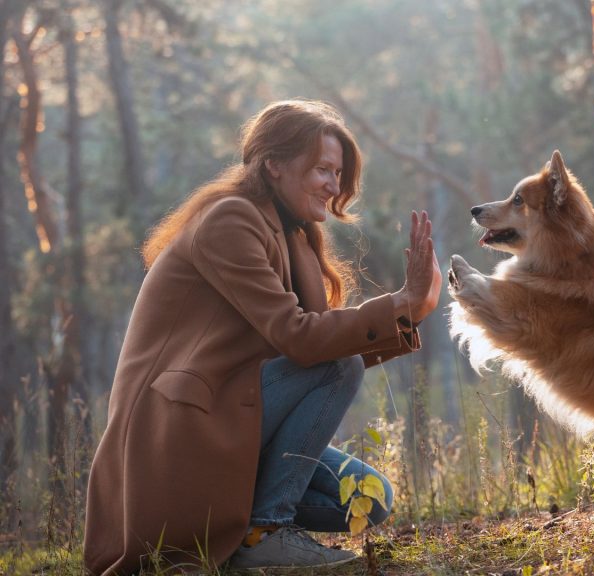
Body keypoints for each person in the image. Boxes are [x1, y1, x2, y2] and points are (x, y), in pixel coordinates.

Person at [83, 100, 442, 574]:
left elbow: (319, 348)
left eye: (339, 174)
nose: (334, 186)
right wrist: (398, 305)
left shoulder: (295, 236)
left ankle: (245, 533)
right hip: (181, 434)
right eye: (322, 169)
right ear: (273, 164)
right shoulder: (230, 221)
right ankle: (265, 532)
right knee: (338, 366)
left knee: (368, 500)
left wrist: (410, 314)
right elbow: (307, 345)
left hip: (234, 417)